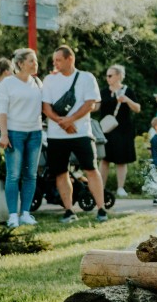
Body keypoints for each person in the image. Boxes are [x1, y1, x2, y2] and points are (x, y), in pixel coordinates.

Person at [41, 45, 107, 223]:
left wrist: (70, 120)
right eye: (54, 60)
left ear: (70, 59)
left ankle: (101, 209)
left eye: (58, 60)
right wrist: (62, 123)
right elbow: (45, 107)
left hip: (82, 133)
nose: (55, 63)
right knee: (61, 173)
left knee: (91, 169)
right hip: (56, 135)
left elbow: (90, 104)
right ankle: (69, 210)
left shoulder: (86, 78)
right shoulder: (49, 80)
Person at [0, 48, 43, 228]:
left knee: (30, 175)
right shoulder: (7, 84)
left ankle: (26, 213)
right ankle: (13, 215)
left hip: (35, 133)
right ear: (21, 64)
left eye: (36, 60)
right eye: (32, 61)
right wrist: (4, 135)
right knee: (14, 175)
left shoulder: (38, 82)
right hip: (14, 134)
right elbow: (2, 111)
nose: (35, 64)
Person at [99, 64, 141, 197]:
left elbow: (137, 108)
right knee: (104, 159)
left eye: (110, 75)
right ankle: (101, 187)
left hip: (123, 130)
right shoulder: (104, 92)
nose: (107, 78)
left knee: (121, 160)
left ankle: (120, 188)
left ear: (118, 76)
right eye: (106, 75)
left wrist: (126, 100)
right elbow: (96, 107)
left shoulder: (127, 91)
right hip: (106, 130)